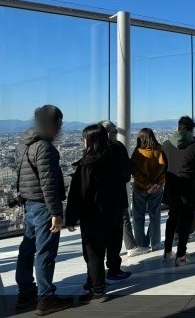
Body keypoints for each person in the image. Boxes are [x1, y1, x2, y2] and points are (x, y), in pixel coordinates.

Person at [14, 105, 74, 315]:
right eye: (60, 123)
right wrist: (57, 213)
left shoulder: (24, 144)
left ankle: (25, 293)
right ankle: (46, 298)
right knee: (45, 253)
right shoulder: (44, 147)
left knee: (27, 249)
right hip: (43, 206)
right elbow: (48, 184)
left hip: (29, 204)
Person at [65, 124, 125, 304]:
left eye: (85, 138)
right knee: (101, 250)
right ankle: (92, 284)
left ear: (90, 140)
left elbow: (79, 193)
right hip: (112, 212)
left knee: (93, 254)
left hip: (93, 215)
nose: (83, 141)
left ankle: (98, 290)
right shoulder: (113, 157)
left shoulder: (89, 163)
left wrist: (71, 217)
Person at [161, 116, 195, 266]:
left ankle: (168, 251)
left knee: (172, 218)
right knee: (186, 222)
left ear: (179, 127)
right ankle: (181, 255)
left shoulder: (166, 145)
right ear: (191, 129)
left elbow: (164, 165)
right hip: (189, 189)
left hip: (172, 188)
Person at [98, 121, 135, 281]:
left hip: (99, 201)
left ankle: (97, 275)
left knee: (102, 237)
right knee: (115, 235)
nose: (115, 134)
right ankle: (113, 268)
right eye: (114, 132)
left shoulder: (93, 149)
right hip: (117, 197)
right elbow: (127, 171)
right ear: (109, 134)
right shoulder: (118, 148)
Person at [131, 128, 166, 251]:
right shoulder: (159, 151)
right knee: (155, 215)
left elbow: (135, 172)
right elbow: (164, 170)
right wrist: (157, 184)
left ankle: (141, 244)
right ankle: (155, 242)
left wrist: (147, 185)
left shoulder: (137, 153)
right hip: (157, 189)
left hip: (140, 188)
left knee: (138, 216)